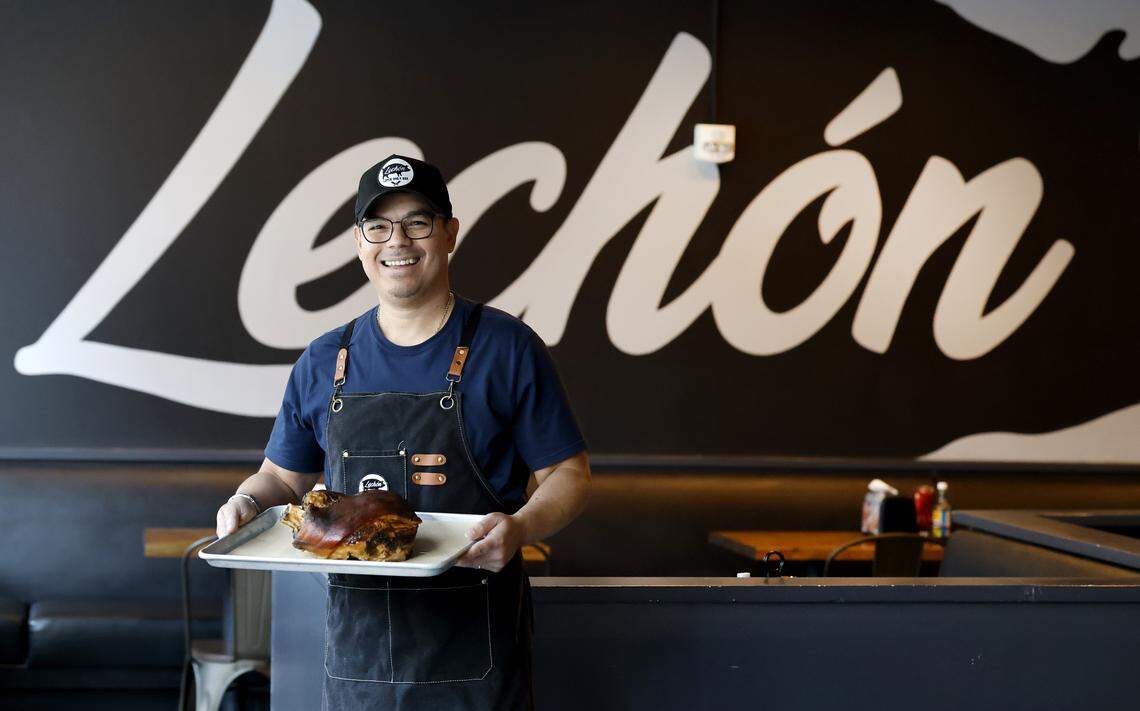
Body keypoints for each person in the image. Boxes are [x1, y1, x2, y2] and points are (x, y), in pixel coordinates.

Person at [214, 154, 592, 710]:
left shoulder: (508, 349)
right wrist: (246, 501)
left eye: (418, 223)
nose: (398, 241)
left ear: (450, 234)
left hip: (477, 657)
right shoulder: (324, 361)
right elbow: (281, 479)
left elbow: (570, 475)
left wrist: (522, 527)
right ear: (360, 241)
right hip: (359, 662)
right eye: (379, 226)